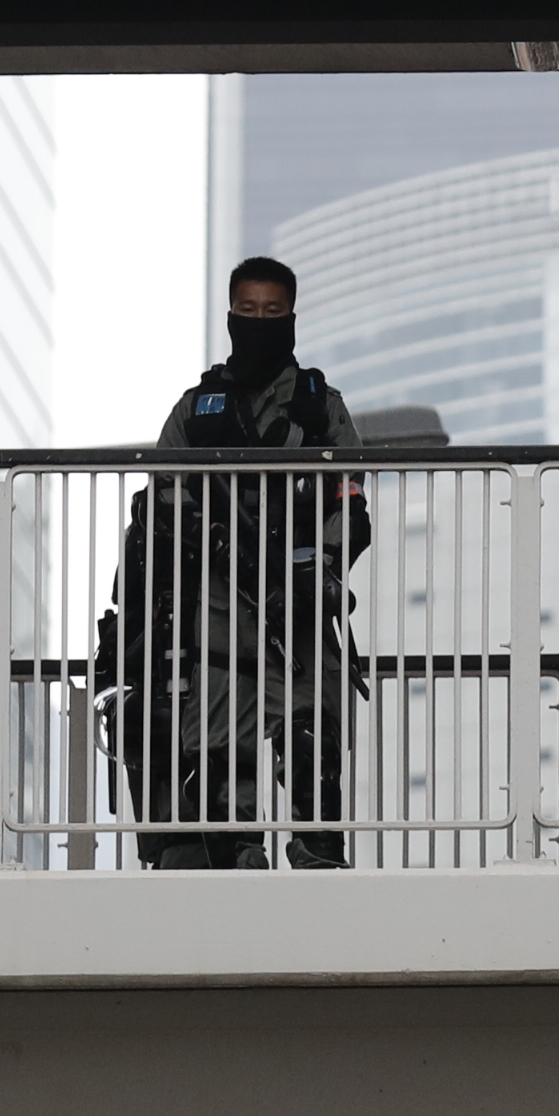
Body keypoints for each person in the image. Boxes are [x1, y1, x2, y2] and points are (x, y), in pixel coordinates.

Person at [103, 255, 370, 869]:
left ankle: (317, 862)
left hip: (300, 607)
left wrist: (320, 569)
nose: (259, 322)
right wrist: (209, 539)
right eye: (248, 311)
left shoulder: (320, 408)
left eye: (272, 313)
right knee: (221, 759)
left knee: (313, 737)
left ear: (292, 319)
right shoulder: (196, 412)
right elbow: (164, 499)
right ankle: (234, 866)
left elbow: (350, 505)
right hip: (217, 612)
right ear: (229, 316)